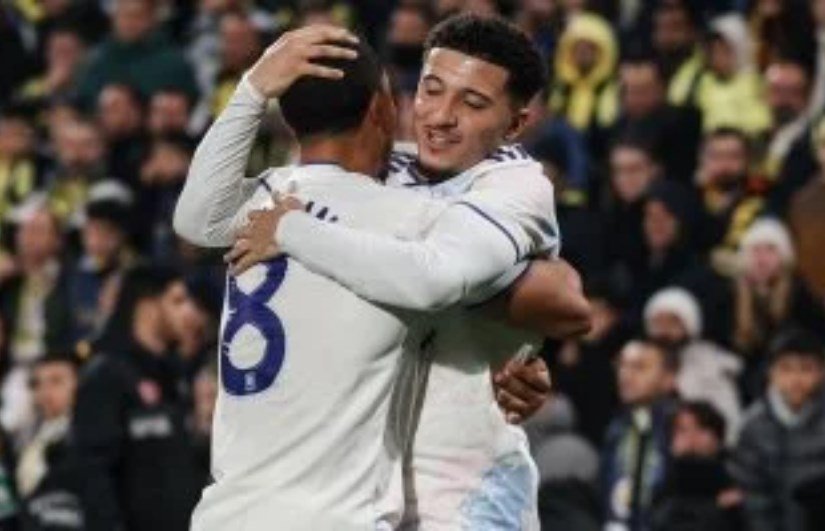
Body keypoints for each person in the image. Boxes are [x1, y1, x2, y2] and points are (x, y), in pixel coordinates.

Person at [176, 18, 589, 530]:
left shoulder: (511, 186)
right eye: (432, 90)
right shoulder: (374, 170)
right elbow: (201, 217)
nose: (441, 116)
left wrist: (293, 232)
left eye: (472, 103)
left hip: (461, 494)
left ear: (515, 124)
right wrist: (253, 88)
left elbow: (564, 299)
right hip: (364, 491)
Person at [70, 266, 202, 531]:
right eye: (177, 301)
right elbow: (93, 473)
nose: (190, 313)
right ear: (147, 307)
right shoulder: (106, 375)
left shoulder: (175, 377)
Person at [730, 328, 825, 531]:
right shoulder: (753, 426)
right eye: (786, 368)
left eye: (806, 368)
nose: (796, 379)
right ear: (771, 373)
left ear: (821, 373)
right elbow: (752, 494)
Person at [731, 218, 825, 397]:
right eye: (755, 250)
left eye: (770, 250)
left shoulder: (801, 294)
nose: (761, 258)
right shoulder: (731, 296)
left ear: (784, 257)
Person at [644, 287, 742, 441]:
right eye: (658, 322)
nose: (664, 330)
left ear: (689, 325)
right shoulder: (639, 361)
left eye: (672, 322)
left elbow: (729, 424)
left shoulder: (711, 366)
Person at [601, 340, 677, 531]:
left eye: (640, 367)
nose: (625, 375)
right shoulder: (616, 426)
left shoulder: (678, 428)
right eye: (622, 365)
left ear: (668, 378)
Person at [73, 0, 198, 108]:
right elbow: (81, 103)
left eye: (136, 16)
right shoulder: (97, 58)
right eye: (123, 15)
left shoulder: (174, 64)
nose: (128, 23)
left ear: (152, 19)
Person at [650, 401, 745, 531]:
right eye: (682, 430)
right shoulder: (664, 475)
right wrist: (715, 507)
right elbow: (661, 519)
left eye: (701, 428)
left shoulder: (737, 472)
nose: (692, 437)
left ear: (717, 437)